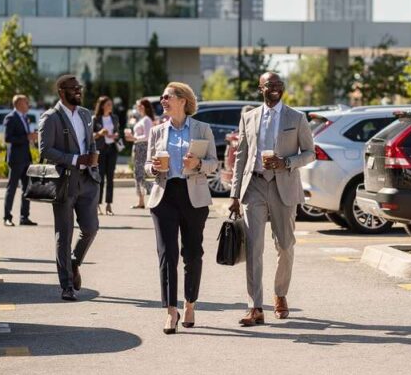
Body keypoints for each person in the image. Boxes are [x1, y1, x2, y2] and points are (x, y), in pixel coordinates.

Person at [229, 72, 315, 327]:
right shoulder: (248, 117)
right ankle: (255, 307)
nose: (276, 89)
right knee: (254, 247)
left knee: (285, 246)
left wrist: (287, 162)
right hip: (254, 184)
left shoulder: (296, 118)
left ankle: (280, 294)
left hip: (283, 186)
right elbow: (241, 158)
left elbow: (310, 153)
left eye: (279, 85)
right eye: (270, 85)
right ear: (261, 89)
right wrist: (234, 194)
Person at [145, 83, 218, 334]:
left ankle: (189, 304)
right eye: (163, 97)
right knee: (167, 255)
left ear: (183, 100)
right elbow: (146, 166)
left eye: (167, 96)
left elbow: (213, 164)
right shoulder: (157, 131)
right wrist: (153, 168)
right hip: (164, 196)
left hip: (193, 197)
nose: (163, 100)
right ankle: (170, 311)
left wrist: (198, 163)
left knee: (193, 253)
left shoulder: (202, 129)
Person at [38, 75, 100, 302]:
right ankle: (66, 285)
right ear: (62, 92)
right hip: (65, 182)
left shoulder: (85, 114)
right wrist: (75, 159)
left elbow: (90, 142)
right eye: (74, 88)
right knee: (64, 235)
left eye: (79, 88)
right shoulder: (51, 117)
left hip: (88, 181)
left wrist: (92, 158)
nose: (79, 91)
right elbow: (45, 150)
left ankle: (73, 262)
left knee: (91, 228)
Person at [2, 94, 38, 227]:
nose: (28, 104)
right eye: (26, 102)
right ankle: (7, 217)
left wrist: (32, 137)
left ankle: (24, 217)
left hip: (25, 157)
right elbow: (8, 138)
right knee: (12, 188)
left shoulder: (25, 118)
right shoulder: (10, 118)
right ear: (18, 104)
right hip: (16, 158)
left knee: (27, 188)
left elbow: (25, 137)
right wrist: (27, 136)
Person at [91, 96, 120, 216]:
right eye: (108, 104)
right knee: (100, 178)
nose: (110, 106)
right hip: (100, 150)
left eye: (111, 104)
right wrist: (99, 133)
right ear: (102, 106)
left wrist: (115, 135)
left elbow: (118, 132)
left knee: (110, 178)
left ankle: (109, 205)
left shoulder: (114, 118)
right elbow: (90, 136)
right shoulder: (95, 119)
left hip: (112, 149)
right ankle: (97, 205)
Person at [125, 98, 156, 209]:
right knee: (138, 174)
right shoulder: (142, 119)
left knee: (139, 175)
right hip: (138, 147)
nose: (138, 108)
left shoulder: (147, 119)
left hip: (142, 147)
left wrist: (134, 137)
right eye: (137, 106)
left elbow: (148, 136)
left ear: (144, 107)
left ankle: (156, 188)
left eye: (139, 106)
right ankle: (141, 201)